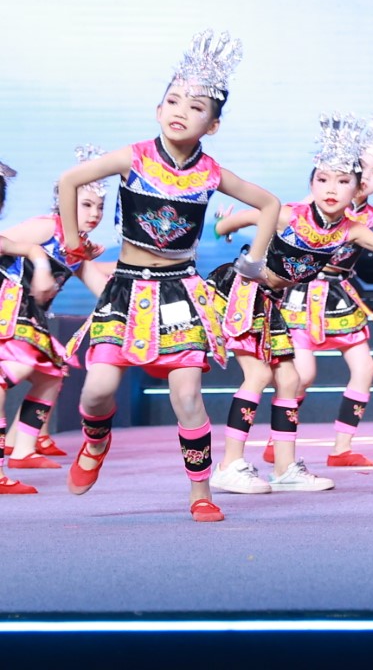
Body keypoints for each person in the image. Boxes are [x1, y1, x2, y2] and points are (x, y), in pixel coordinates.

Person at [57, 31, 283, 521]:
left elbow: (269, 204)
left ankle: (201, 493)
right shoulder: (134, 156)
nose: (181, 111)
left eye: (196, 106)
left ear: (213, 124)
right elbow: (69, 180)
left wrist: (253, 261)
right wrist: (73, 242)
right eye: (173, 101)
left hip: (181, 292)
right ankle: (96, 441)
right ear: (158, 109)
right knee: (96, 390)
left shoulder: (211, 172)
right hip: (125, 288)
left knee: (187, 396)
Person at [208, 113, 373, 494]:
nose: (332, 188)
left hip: (274, 302)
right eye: (323, 179)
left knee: (290, 379)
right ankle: (229, 464)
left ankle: (284, 468)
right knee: (260, 376)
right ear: (312, 184)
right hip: (245, 292)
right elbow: (246, 218)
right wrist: (223, 226)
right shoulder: (291, 215)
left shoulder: (352, 229)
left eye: (344, 181)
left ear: (357, 188)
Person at [2, 148, 115, 472]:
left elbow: (103, 289)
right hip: (8, 306)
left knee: (50, 375)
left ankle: (22, 450)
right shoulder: (46, 227)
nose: (95, 213)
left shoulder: (76, 247)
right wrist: (36, 259)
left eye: (100, 206)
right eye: (86, 204)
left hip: (29, 315)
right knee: (19, 367)